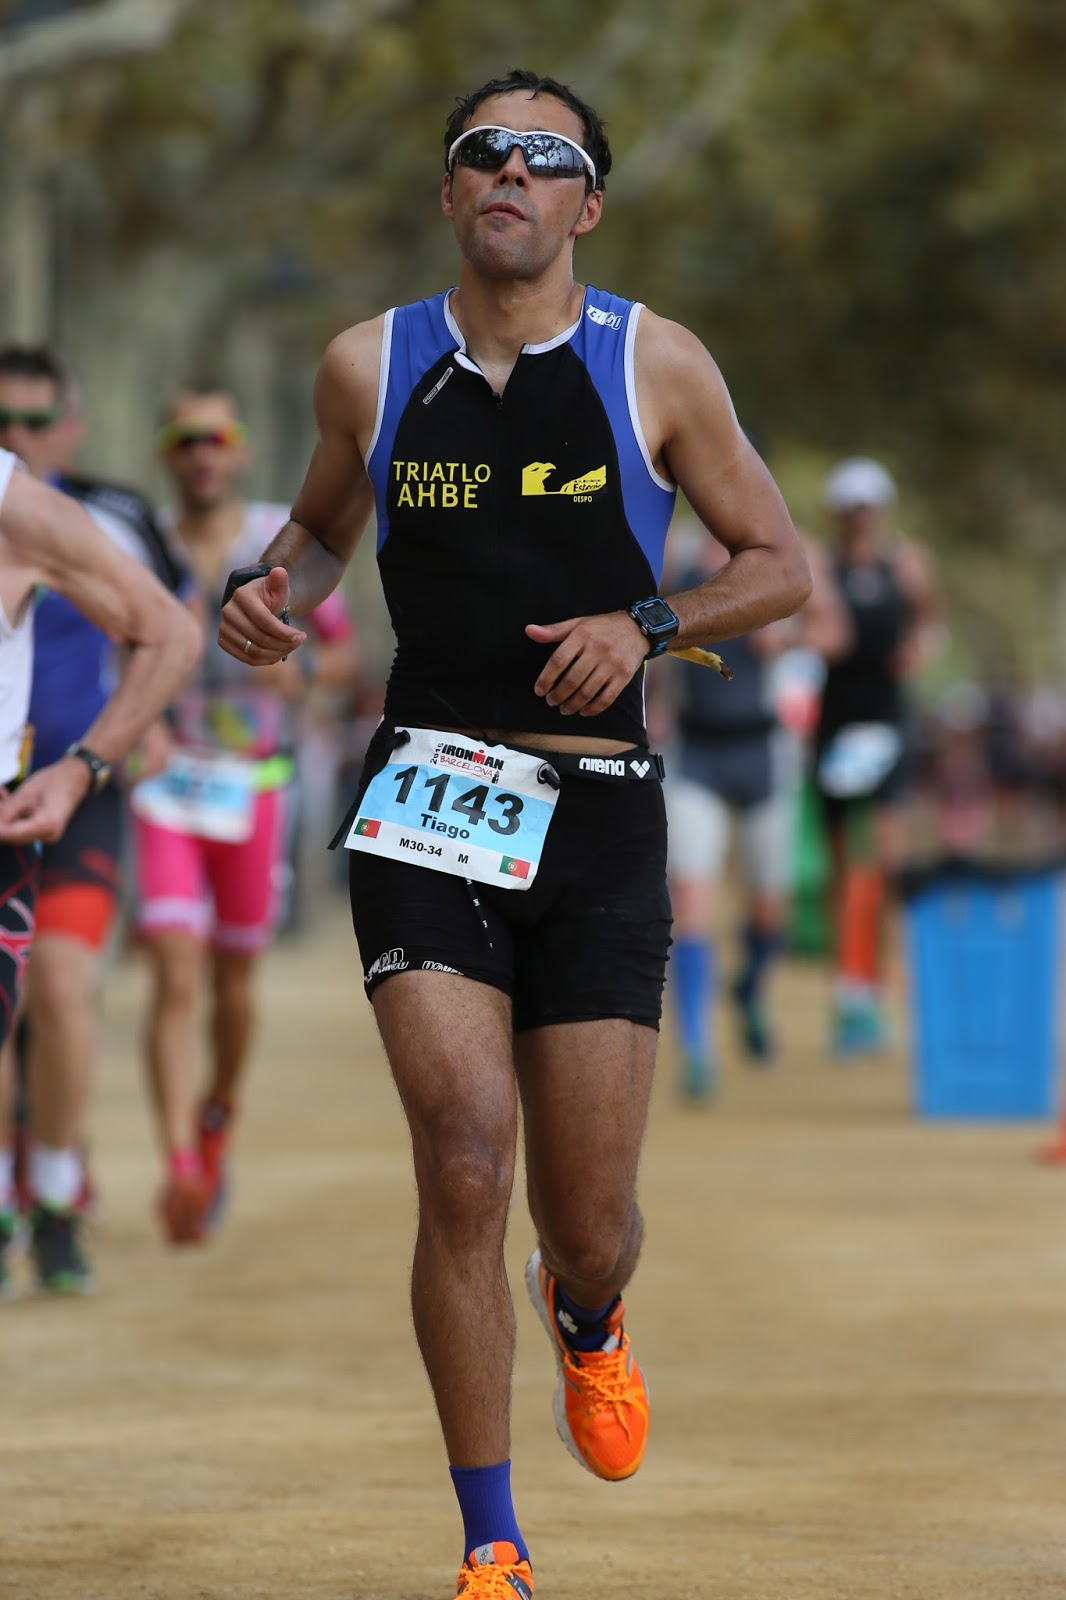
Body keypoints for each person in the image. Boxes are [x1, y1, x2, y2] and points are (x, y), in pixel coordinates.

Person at [217, 69, 811, 1596]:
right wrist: (267, 590)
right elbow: (320, 528)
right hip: (426, 796)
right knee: (465, 1158)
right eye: (482, 151)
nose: (510, 172)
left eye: (545, 158)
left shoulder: (652, 361)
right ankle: (490, 1539)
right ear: (448, 191)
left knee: (586, 1219)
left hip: (599, 809)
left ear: (585, 205)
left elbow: (776, 562)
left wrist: (648, 624)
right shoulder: (367, 363)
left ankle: (588, 1312)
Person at [132, 386, 358, 1247]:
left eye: (216, 437)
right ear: (168, 452)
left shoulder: (279, 542)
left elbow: (343, 658)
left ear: (240, 450)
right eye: (186, 438)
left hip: (255, 788)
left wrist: (298, 674)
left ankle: (217, 1112)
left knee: (232, 982)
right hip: (166, 787)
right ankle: (180, 1165)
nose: (202, 453)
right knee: (173, 971)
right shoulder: (145, 540)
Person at [0, 345, 194, 1293]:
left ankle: (54, 1192)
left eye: (36, 419)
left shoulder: (105, 513)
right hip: (16, 790)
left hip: (70, 795)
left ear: (69, 425)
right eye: (4, 419)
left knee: (62, 987)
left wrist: (123, 739)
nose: (19, 435)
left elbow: (165, 625)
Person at [803, 456, 943, 1056]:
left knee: (883, 858)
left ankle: (879, 984)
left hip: (886, 726)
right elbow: (818, 630)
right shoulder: (821, 562)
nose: (860, 517)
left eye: (868, 507)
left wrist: (920, 647)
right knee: (842, 864)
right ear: (839, 512)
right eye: (851, 508)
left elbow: (931, 623)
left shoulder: (906, 563)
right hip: (837, 726)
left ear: (881, 510)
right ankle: (850, 993)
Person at [660, 517, 797, 1100]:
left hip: (763, 751)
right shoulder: (678, 554)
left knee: (770, 910)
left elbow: (831, 626)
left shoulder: (782, 550)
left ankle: (750, 989)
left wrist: (792, 636)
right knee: (690, 903)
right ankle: (697, 1050)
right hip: (696, 751)